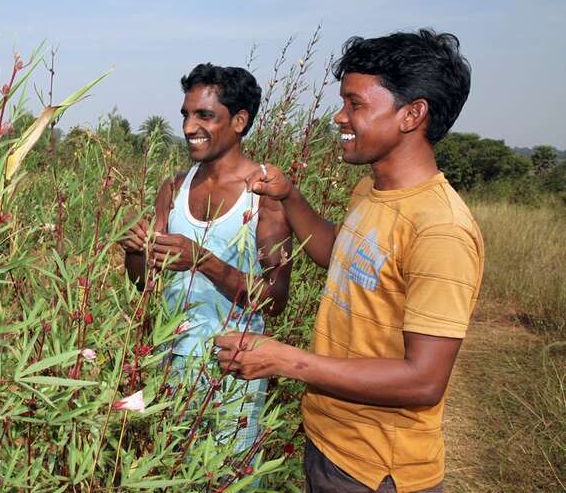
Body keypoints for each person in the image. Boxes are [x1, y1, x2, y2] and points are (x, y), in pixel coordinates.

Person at [215, 30, 483, 492]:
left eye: (355, 104)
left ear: (412, 113)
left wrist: (284, 361)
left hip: (378, 469)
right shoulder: (374, 191)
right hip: (333, 442)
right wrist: (289, 196)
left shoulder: (441, 230)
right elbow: (334, 254)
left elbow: (423, 380)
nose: (339, 117)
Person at [118, 63, 292, 454]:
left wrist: (203, 261)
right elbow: (146, 284)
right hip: (170, 362)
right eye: (186, 114)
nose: (188, 127)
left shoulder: (264, 195)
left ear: (240, 121)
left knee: (226, 476)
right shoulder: (175, 188)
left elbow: (276, 299)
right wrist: (135, 252)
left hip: (235, 370)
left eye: (205, 116)